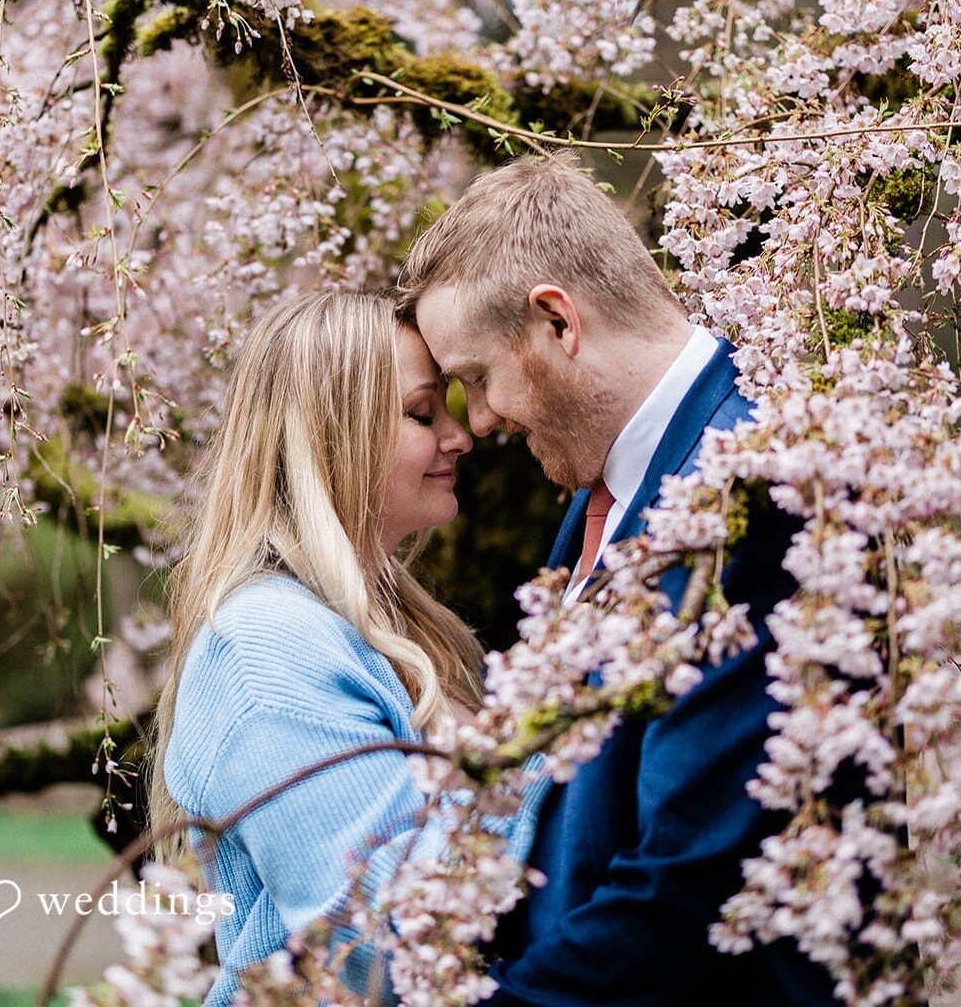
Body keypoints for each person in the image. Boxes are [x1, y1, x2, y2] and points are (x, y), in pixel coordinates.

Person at [397, 151, 838, 1006]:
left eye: (478, 381)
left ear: (556, 322)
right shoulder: (604, 493)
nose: (478, 423)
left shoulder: (758, 486)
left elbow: (693, 869)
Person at [146, 290, 542, 1006]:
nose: (461, 436)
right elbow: (375, 933)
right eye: (423, 413)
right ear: (334, 437)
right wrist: (584, 750)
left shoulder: (402, 626)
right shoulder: (266, 647)